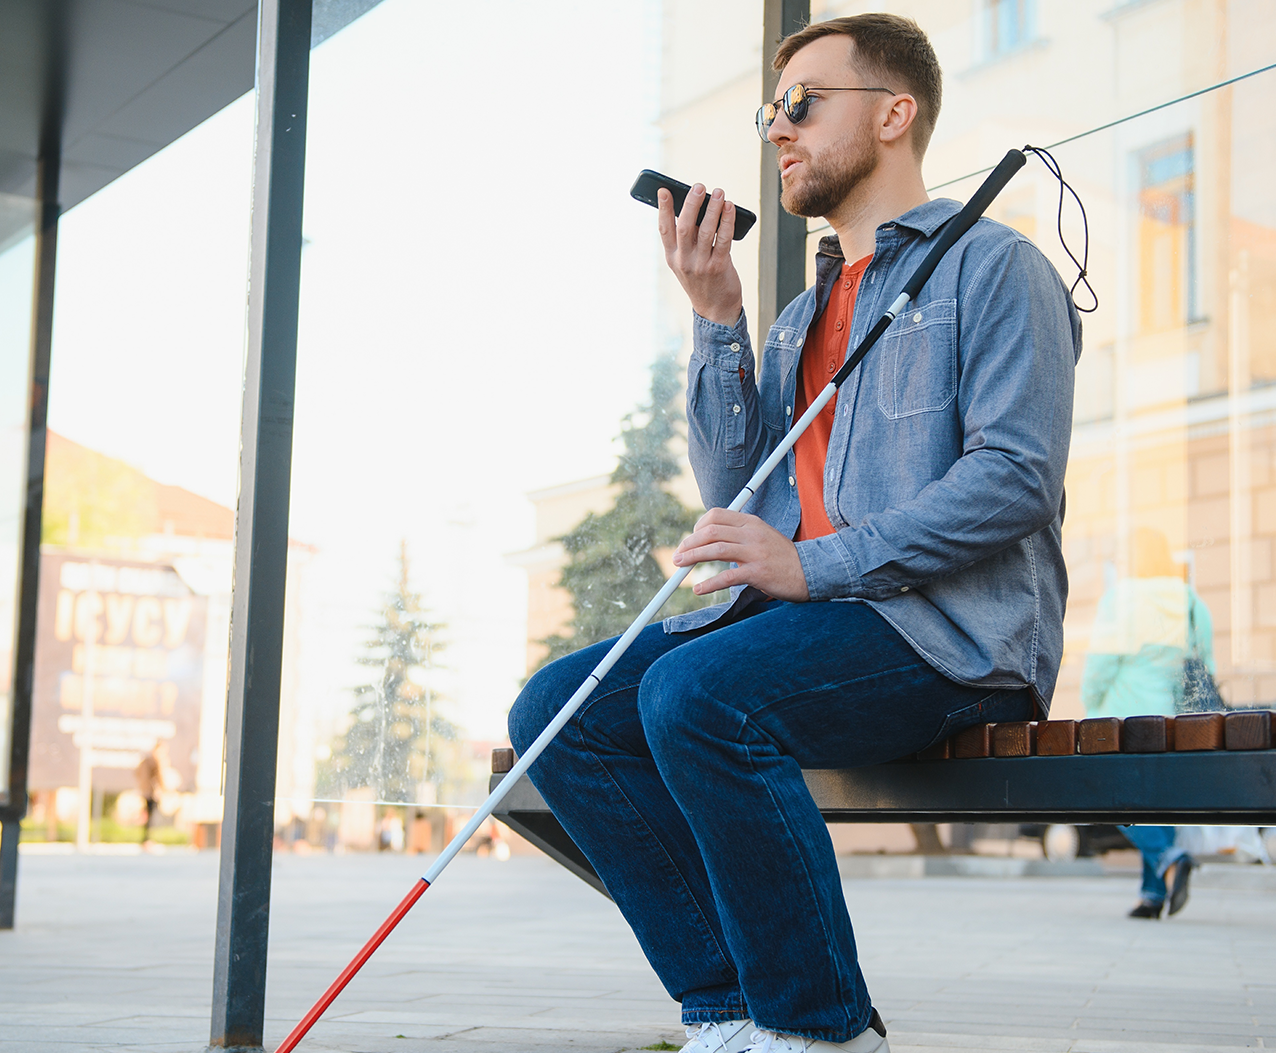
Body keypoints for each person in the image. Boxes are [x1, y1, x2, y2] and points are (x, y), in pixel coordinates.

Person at [507, 15, 1080, 1053]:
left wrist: (810, 566)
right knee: (561, 707)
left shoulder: (993, 270)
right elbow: (742, 491)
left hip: (946, 636)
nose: (777, 130)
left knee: (696, 694)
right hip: (808, 628)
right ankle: (728, 1010)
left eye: (803, 104)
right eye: (770, 110)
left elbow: (1014, 481)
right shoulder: (797, 317)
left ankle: (816, 1029)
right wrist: (714, 313)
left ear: (893, 115)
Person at [1081, 528, 1212, 919]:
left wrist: (1090, 705)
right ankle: (1153, 896)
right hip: (1168, 718)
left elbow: (1100, 665)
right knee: (1157, 805)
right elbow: (1207, 665)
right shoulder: (1189, 602)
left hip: (1121, 716)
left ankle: (1169, 859)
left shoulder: (1120, 599)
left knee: (1112, 798)